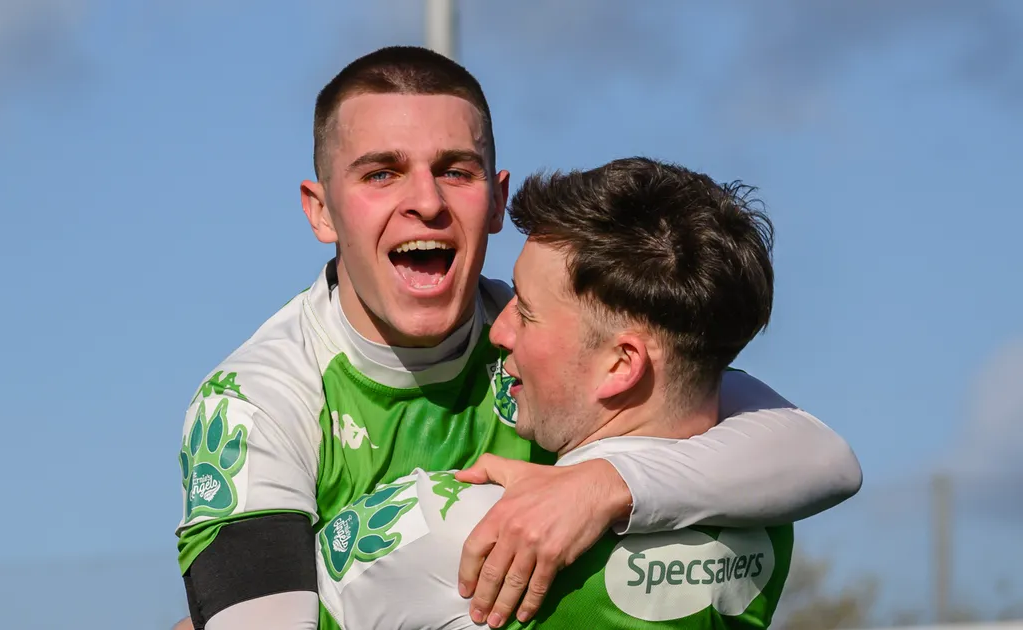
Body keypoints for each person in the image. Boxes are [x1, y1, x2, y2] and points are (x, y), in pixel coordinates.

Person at [174, 46, 861, 630]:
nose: (427, 201)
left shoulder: (557, 339)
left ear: (498, 199)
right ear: (320, 210)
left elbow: (816, 452)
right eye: (381, 173)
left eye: (455, 169)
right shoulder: (254, 403)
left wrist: (602, 487)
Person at [312, 156, 797, 629]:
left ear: (621, 364)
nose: (499, 331)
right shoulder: (769, 522)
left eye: (525, 310)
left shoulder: (442, 522)